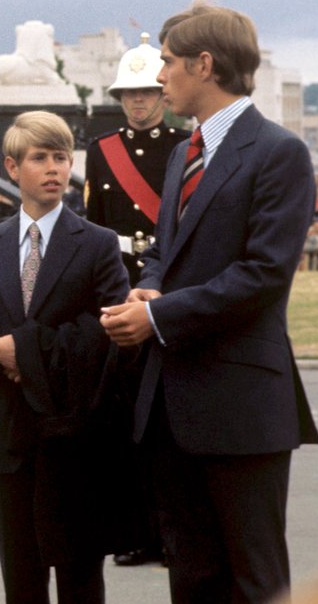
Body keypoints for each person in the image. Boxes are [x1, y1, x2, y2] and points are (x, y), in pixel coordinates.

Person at [99, 0, 318, 604]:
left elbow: (263, 275)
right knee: (192, 578)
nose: (158, 77)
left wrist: (157, 315)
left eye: (167, 63)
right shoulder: (184, 152)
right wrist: (147, 286)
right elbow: (166, 253)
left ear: (204, 64)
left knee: (254, 581)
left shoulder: (278, 152)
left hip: (241, 405)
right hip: (172, 403)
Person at [0, 111, 130, 604]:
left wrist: (27, 351)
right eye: (39, 158)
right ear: (12, 168)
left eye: (61, 157)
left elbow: (110, 330)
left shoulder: (96, 243)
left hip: (75, 436)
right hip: (7, 438)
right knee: (22, 580)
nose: (53, 169)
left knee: (80, 578)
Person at [83, 34, 188, 568]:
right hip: (118, 281)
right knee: (125, 420)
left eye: (147, 93)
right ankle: (139, 531)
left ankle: (172, 534)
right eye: (129, 95)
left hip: (164, 283)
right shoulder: (101, 151)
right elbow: (95, 228)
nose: (139, 103)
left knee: (165, 421)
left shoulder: (187, 146)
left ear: (163, 95)